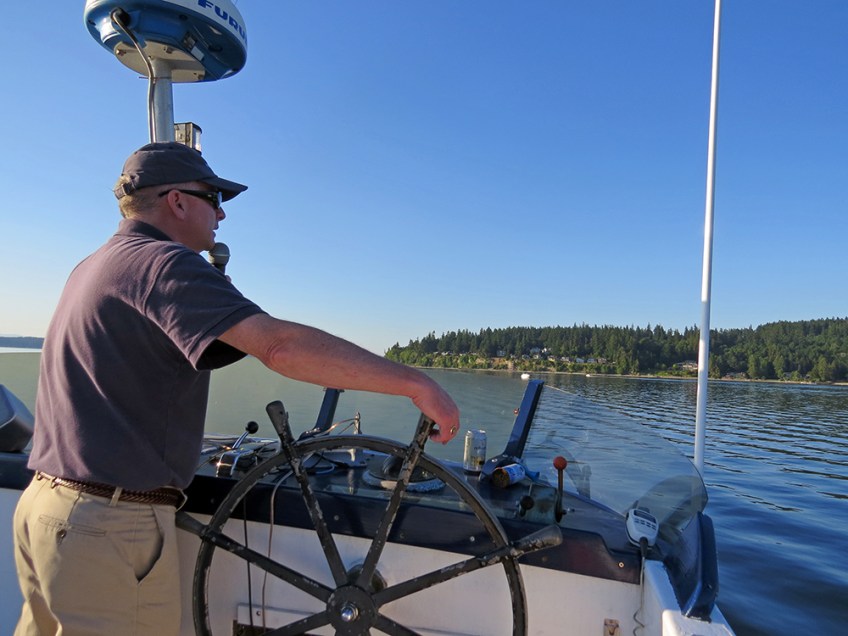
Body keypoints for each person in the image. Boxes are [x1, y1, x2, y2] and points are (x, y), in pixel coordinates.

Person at [13, 141, 461, 635]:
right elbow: (280, 347)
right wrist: (415, 383)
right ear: (177, 201)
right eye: (213, 198)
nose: (222, 214)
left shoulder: (94, 265)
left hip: (45, 507)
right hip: (105, 525)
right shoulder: (162, 263)